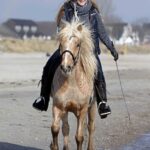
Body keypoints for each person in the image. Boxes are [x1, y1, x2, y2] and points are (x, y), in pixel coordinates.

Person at [33, 0, 119, 119]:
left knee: (98, 71)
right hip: (69, 48)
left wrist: (112, 48)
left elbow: (102, 33)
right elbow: (61, 29)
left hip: (89, 51)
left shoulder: (93, 12)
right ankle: (43, 98)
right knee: (49, 65)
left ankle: (102, 103)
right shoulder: (67, 9)